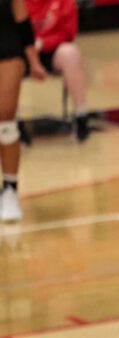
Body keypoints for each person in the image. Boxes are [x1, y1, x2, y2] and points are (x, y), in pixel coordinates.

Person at [0, 0, 46, 222]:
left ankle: (10, 190)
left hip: (6, 48)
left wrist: (34, 61)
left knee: (5, 118)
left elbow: (22, 20)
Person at [26, 0, 90, 141]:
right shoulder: (17, 4)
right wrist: (29, 47)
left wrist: (44, 43)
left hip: (51, 50)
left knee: (71, 53)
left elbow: (68, 33)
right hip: (22, 51)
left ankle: (81, 116)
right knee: (6, 63)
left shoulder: (64, 2)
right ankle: (10, 122)